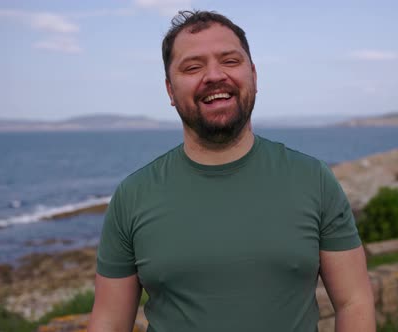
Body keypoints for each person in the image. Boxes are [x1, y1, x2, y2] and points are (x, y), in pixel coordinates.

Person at [88, 10, 375, 332]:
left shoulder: (314, 179)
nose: (214, 76)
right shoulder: (132, 195)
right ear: (170, 90)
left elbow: (354, 302)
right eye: (193, 67)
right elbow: (109, 322)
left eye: (230, 61)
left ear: (253, 75)